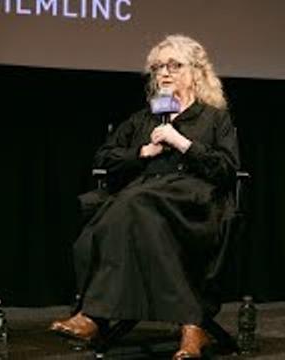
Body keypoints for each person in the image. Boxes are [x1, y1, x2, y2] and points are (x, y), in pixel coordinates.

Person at [50, 34, 239, 359]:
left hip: (193, 204)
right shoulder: (143, 119)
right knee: (135, 209)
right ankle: (192, 327)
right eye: (158, 67)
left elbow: (227, 168)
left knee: (130, 205)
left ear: (195, 72)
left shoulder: (213, 118)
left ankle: (94, 315)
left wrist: (183, 143)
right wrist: (143, 151)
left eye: (174, 65)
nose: (164, 73)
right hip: (144, 202)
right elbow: (103, 158)